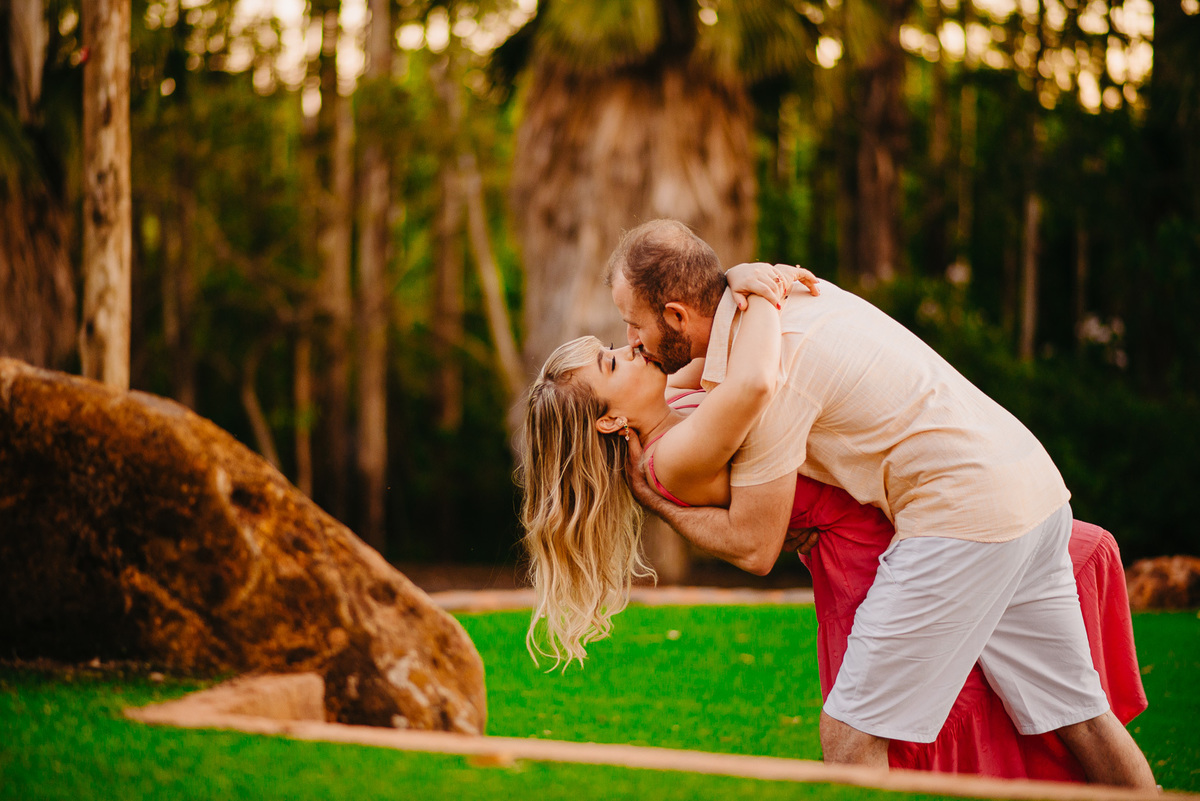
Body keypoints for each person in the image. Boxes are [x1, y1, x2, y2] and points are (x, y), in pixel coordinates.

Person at [518, 268, 1148, 780]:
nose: (630, 345)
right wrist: (752, 285)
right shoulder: (668, 459)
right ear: (607, 423)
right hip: (899, 544)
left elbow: (699, 347)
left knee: (870, 738)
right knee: (889, 735)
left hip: (942, 529)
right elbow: (753, 387)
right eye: (611, 362)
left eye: (622, 338)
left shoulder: (674, 404)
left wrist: (736, 287)